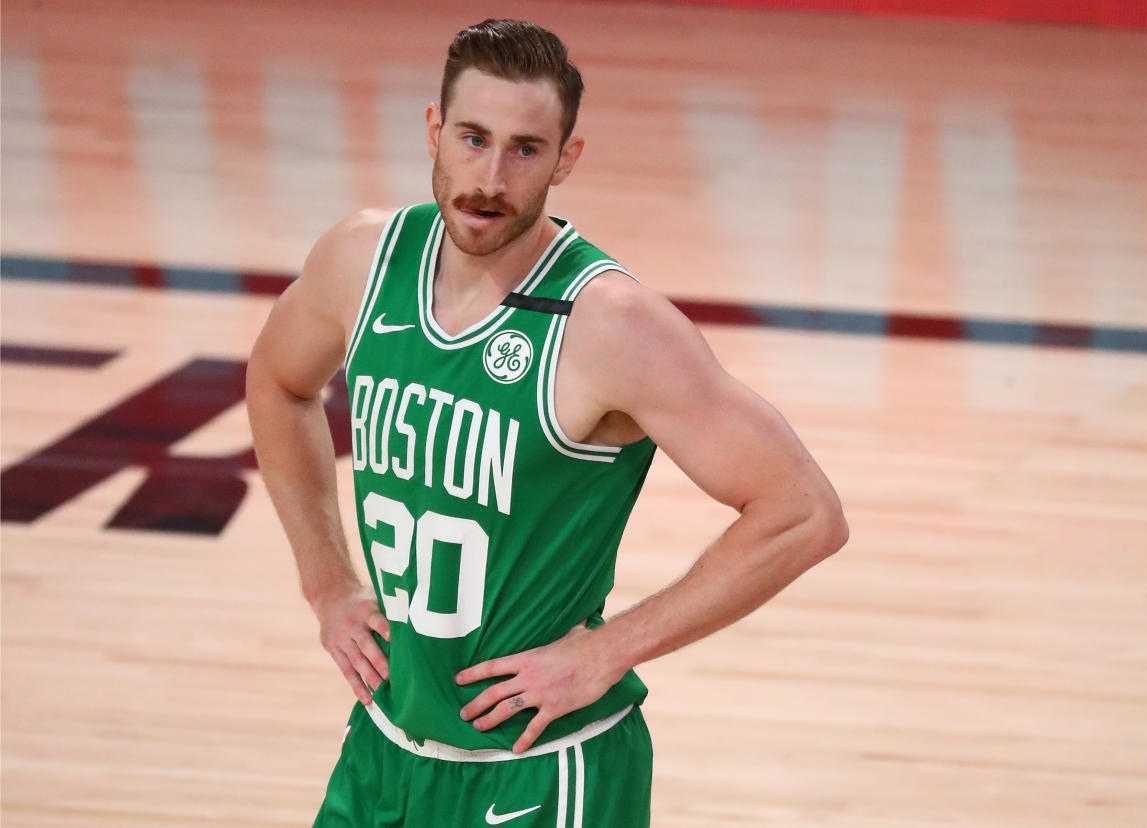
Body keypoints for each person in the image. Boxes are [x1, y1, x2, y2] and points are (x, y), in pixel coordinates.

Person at [246, 18, 848, 828]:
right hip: (384, 749)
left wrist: (607, 651)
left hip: (541, 774)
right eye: (472, 138)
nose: (490, 177)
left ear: (566, 158)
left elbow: (804, 513)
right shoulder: (363, 262)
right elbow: (277, 383)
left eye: (525, 150)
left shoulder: (612, 324)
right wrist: (326, 582)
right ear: (434, 129)